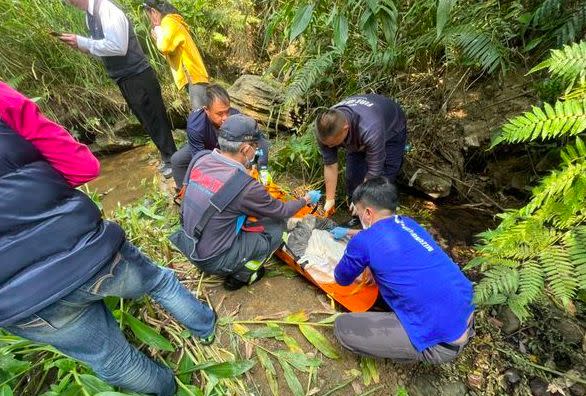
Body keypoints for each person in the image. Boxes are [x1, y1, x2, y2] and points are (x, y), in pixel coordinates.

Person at [0, 82, 215, 396]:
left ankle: (170, 391)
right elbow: (83, 167)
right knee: (158, 282)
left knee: (113, 358)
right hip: (88, 250)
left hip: (23, 302)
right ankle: (206, 328)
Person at [330, 177, 475, 363]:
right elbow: (381, 234)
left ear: (367, 212)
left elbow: (341, 278)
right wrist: (349, 233)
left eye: (358, 212)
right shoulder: (408, 223)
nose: (358, 217)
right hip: (466, 314)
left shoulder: (364, 241)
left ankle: (418, 350)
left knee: (343, 327)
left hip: (442, 343)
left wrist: (357, 252)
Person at [171, 114, 321, 290]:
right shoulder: (245, 186)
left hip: (189, 243)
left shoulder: (201, 158)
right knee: (275, 228)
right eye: (256, 146)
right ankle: (242, 275)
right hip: (210, 259)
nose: (258, 150)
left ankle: (230, 259)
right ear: (245, 149)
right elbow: (282, 211)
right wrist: (306, 199)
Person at [59, 0, 177, 178]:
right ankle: (168, 158)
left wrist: (84, 42)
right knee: (146, 120)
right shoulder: (89, 17)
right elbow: (104, 49)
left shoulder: (106, 9)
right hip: (124, 77)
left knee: (155, 118)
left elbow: (118, 47)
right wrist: (84, 46)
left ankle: (174, 162)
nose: (69, 3)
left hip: (138, 74)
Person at [315, 94, 407, 226]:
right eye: (326, 144)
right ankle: (359, 215)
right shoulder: (324, 129)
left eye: (332, 144)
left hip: (391, 128)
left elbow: (374, 171)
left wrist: (361, 199)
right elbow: (330, 165)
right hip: (359, 132)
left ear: (345, 129)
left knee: (385, 178)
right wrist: (330, 199)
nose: (329, 147)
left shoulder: (370, 129)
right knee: (353, 176)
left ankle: (379, 220)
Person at [170, 84, 270, 188]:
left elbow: (259, 140)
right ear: (206, 110)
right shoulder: (196, 126)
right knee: (177, 160)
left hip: (231, 149)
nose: (225, 118)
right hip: (207, 150)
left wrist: (262, 168)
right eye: (219, 114)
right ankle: (185, 196)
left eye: (227, 111)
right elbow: (201, 162)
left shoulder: (236, 116)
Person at [143, 0, 210, 110]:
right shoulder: (172, 22)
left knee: (200, 115)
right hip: (193, 77)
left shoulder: (169, 21)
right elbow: (170, 52)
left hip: (193, 76)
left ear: (154, 12)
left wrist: (158, 32)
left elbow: (164, 46)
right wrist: (158, 39)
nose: (150, 20)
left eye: (148, 15)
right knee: (204, 115)